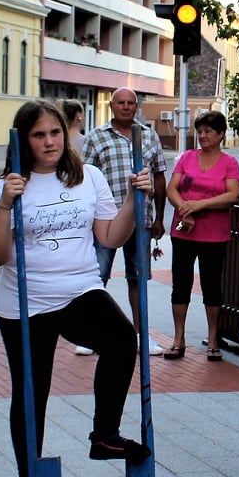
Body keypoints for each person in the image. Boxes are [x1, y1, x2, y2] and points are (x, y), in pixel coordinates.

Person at [0, 99, 152, 477]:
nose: (50, 142)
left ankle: (104, 434)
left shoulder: (88, 177)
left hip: (79, 290)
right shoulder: (7, 187)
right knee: (31, 392)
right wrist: (5, 205)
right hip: (26, 303)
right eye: (39, 135)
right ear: (23, 141)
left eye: (55, 132)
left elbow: (109, 236)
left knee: (121, 339)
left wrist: (133, 200)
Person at [82, 88, 167, 356]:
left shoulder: (149, 135)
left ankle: (141, 334)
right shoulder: (96, 137)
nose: (126, 107)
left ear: (136, 106)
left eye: (131, 103)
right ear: (112, 106)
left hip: (141, 219)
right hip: (105, 220)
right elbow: (83, 178)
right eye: (121, 102)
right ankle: (90, 334)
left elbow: (159, 177)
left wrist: (160, 217)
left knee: (138, 278)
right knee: (97, 276)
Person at [165, 109, 239, 360]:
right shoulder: (186, 158)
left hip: (214, 235)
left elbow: (232, 195)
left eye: (208, 131)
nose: (203, 135)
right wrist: (184, 210)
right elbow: (172, 189)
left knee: (211, 286)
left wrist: (199, 205)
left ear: (221, 134)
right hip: (183, 231)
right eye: (199, 131)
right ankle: (178, 338)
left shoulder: (229, 163)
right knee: (180, 285)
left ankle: (213, 339)